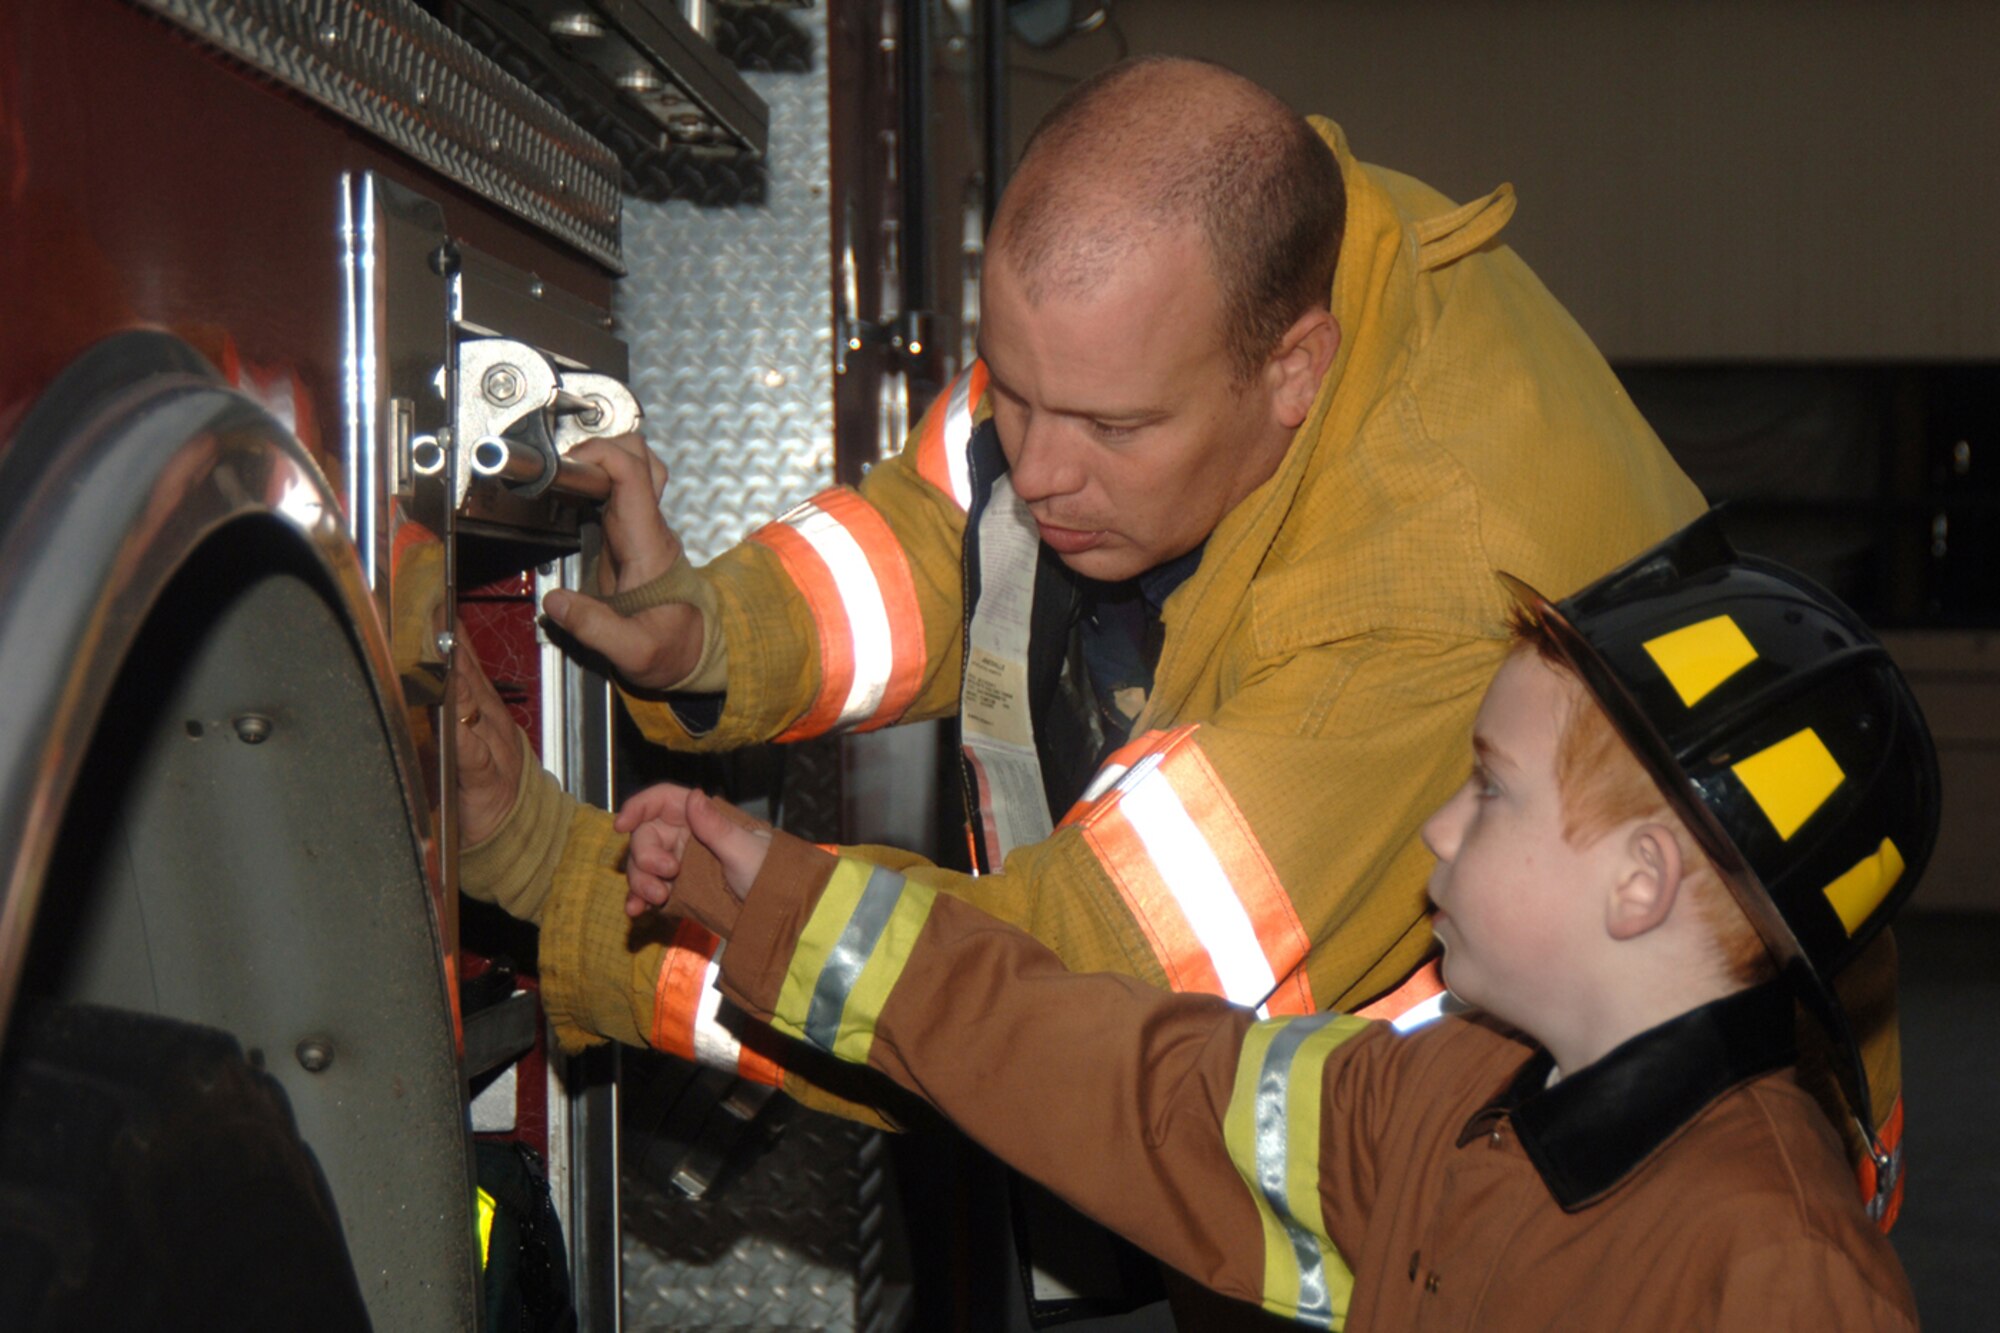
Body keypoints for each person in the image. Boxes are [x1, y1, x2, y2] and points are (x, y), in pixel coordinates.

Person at [454, 50, 1901, 1276]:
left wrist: (557, 879)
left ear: (1294, 371)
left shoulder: (1422, 607)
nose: (1042, 463)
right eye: (1012, 391)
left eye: (1108, 430)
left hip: (1550, 1230)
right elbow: (947, 529)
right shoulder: (1196, 285)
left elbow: (1050, 1000)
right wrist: (715, 632)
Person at [600, 517, 1932, 1329]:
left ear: (1641, 882)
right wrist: (773, 896)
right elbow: (1132, 1083)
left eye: (1492, 789)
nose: (1440, 828)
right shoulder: (1457, 1089)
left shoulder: (1778, 1276)